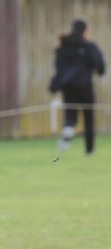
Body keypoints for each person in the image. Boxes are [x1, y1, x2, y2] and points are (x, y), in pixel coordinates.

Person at [49, 18, 105, 154]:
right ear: (85, 31)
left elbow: (58, 66)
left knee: (70, 113)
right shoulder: (89, 46)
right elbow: (101, 67)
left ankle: (68, 128)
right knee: (88, 118)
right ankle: (89, 149)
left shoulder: (63, 46)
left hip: (68, 87)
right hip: (86, 87)